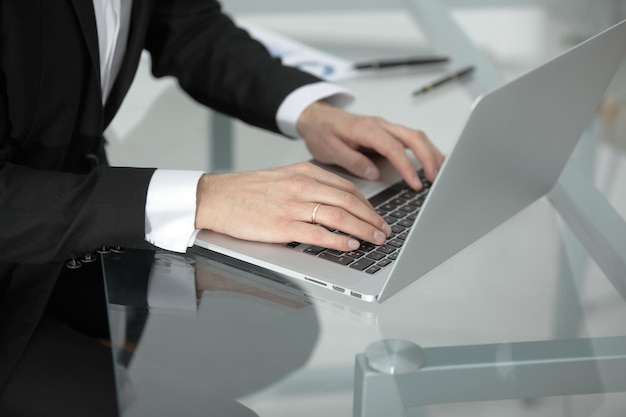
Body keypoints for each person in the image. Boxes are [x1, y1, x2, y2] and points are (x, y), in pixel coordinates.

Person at [0, 0, 444, 415]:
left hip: (68, 236)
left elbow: (188, 26)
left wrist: (313, 114)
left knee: (276, 326)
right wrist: (204, 197)